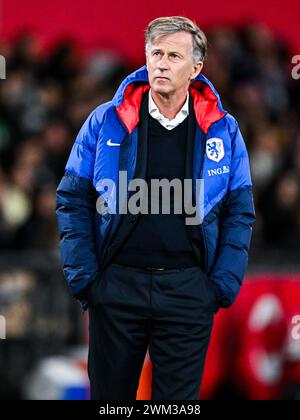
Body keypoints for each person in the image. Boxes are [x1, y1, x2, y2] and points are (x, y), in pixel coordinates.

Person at [56, 16, 256, 400]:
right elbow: (72, 198)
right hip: (116, 288)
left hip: (188, 290)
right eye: (156, 53)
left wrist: (219, 286)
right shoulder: (104, 121)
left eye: (174, 56)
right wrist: (87, 279)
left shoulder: (224, 130)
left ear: (195, 68)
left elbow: (239, 211)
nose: (162, 63)